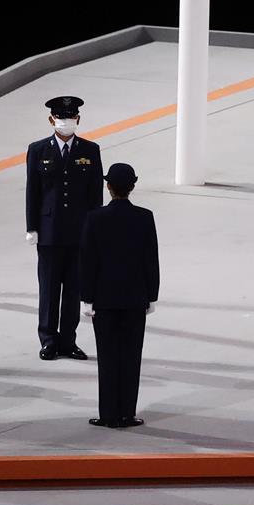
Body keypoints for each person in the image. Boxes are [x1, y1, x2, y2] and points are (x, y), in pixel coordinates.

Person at [79, 162, 159, 429]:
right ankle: (127, 413)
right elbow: (151, 260)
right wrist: (151, 295)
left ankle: (108, 414)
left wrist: (87, 297)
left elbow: (88, 261)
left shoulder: (95, 218)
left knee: (107, 356)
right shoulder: (145, 217)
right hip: (135, 298)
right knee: (131, 356)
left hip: (104, 299)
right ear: (133, 186)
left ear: (108, 186)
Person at [25, 95, 104, 361]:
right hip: (49, 231)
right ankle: (48, 340)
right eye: (61, 117)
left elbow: (95, 194)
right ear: (52, 120)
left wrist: (95, 229)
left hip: (79, 232)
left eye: (71, 117)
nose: (66, 121)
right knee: (49, 290)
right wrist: (32, 226)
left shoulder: (90, 150)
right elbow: (33, 191)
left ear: (78, 119)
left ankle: (68, 341)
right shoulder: (38, 150)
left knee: (73, 290)